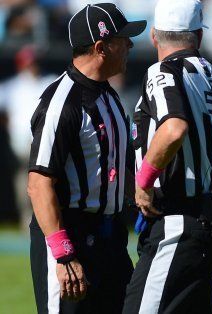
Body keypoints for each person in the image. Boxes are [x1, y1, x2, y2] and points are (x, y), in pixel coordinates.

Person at [122, 0, 212, 313]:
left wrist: (144, 181)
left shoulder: (164, 72)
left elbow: (174, 128)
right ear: (198, 36)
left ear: (154, 37)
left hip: (177, 223)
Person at [27, 3, 145, 313]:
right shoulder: (61, 103)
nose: (130, 46)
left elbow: (114, 165)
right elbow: (39, 184)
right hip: (71, 235)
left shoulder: (108, 95)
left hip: (109, 239)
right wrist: (63, 254)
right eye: (123, 39)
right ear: (100, 47)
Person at [0, 45, 57, 230]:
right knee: (24, 183)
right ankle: (27, 221)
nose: (34, 66)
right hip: (21, 142)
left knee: (46, 181)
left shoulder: (48, 81)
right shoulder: (12, 86)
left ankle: (45, 219)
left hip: (44, 141)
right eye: (30, 62)